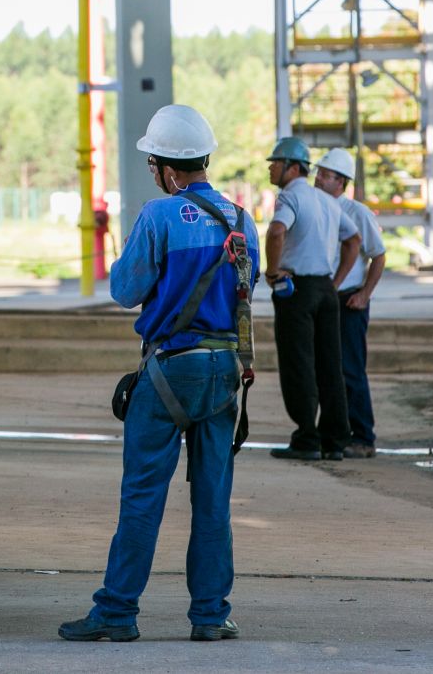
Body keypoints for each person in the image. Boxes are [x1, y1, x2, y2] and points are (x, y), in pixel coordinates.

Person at [59, 105, 259, 645]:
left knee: (143, 495)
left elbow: (124, 290)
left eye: (153, 166)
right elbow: (247, 288)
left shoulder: (158, 216)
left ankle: (118, 612)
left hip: (170, 368)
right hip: (223, 371)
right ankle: (212, 614)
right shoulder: (242, 219)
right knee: (213, 497)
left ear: (168, 169)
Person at [263, 137, 361, 462]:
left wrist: (273, 271)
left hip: (297, 290)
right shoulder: (327, 201)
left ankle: (306, 436)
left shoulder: (290, 197)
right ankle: (335, 440)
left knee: (299, 363)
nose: (271, 168)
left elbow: (277, 232)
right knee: (329, 365)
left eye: (275, 163)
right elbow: (353, 240)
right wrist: (335, 282)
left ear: (293, 167)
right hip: (324, 290)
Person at [313, 147, 387, 459]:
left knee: (351, 369)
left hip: (349, 300)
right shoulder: (315, 208)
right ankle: (332, 434)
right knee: (327, 369)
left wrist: (364, 294)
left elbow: (379, 255)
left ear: (341, 182)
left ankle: (363, 436)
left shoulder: (357, 213)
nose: (318, 178)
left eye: (326, 175)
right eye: (318, 172)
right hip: (325, 296)